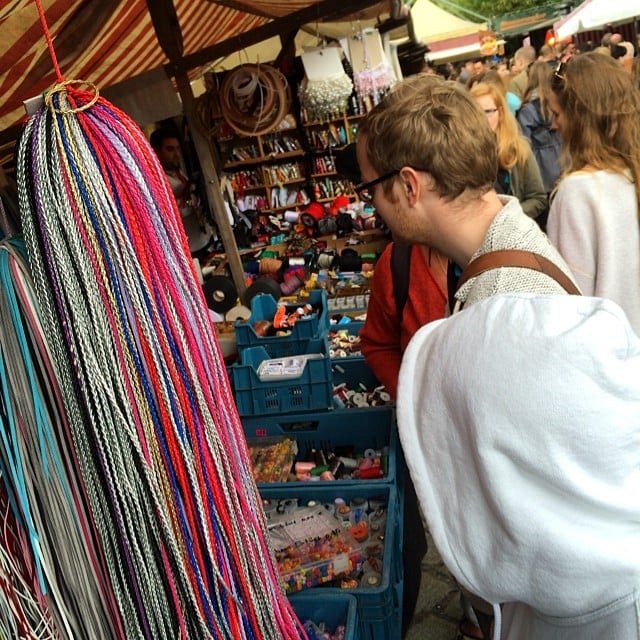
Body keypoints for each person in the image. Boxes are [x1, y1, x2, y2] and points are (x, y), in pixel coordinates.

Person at [356, 72, 640, 640]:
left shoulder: (506, 302)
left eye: (373, 189)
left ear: (409, 185)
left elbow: (546, 523)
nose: (372, 208)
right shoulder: (510, 240)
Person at [547, 52, 640, 335]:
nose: (553, 125)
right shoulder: (630, 174)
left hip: (609, 351)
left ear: (579, 117)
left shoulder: (577, 192)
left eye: (556, 114)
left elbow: (571, 302)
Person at [469, 82, 547, 221]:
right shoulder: (463, 154)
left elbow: (538, 198)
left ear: (500, 112)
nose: (482, 119)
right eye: (476, 113)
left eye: (488, 112)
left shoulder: (519, 149)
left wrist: (507, 218)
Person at [150, 127, 214, 258]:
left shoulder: (177, 172)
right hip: (187, 249)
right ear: (157, 151)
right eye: (170, 149)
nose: (176, 154)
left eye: (177, 148)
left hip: (202, 239)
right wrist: (188, 201)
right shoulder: (156, 179)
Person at [517, 61, 563, 196]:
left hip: (542, 172)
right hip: (564, 163)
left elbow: (524, 145)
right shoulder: (558, 102)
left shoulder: (527, 110)